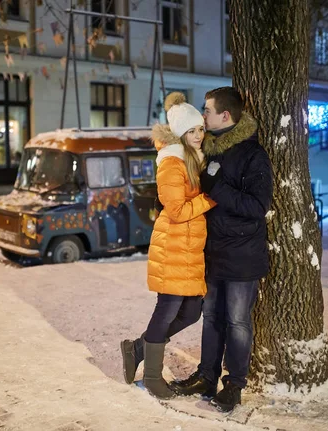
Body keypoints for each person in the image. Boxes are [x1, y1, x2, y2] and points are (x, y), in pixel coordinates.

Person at [169, 87, 273, 412]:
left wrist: (219, 188)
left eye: (207, 111)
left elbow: (258, 206)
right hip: (213, 252)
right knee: (211, 317)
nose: (203, 116)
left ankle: (234, 386)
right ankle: (206, 376)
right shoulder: (209, 151)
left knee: (238, 321)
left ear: (225, 116)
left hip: (243, 255)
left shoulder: (253, 155)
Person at [120, 92, 216, 399]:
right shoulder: (172, 163)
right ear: (180, 134)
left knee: (191, 313)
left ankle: (137, 348)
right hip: (174, 245)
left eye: (201, 129)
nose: (199, 135)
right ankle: (151, 377)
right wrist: (208, 199)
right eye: (192, 131)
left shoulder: (193, 160)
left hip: (189, 248)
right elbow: (175, 210)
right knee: (168, 309)